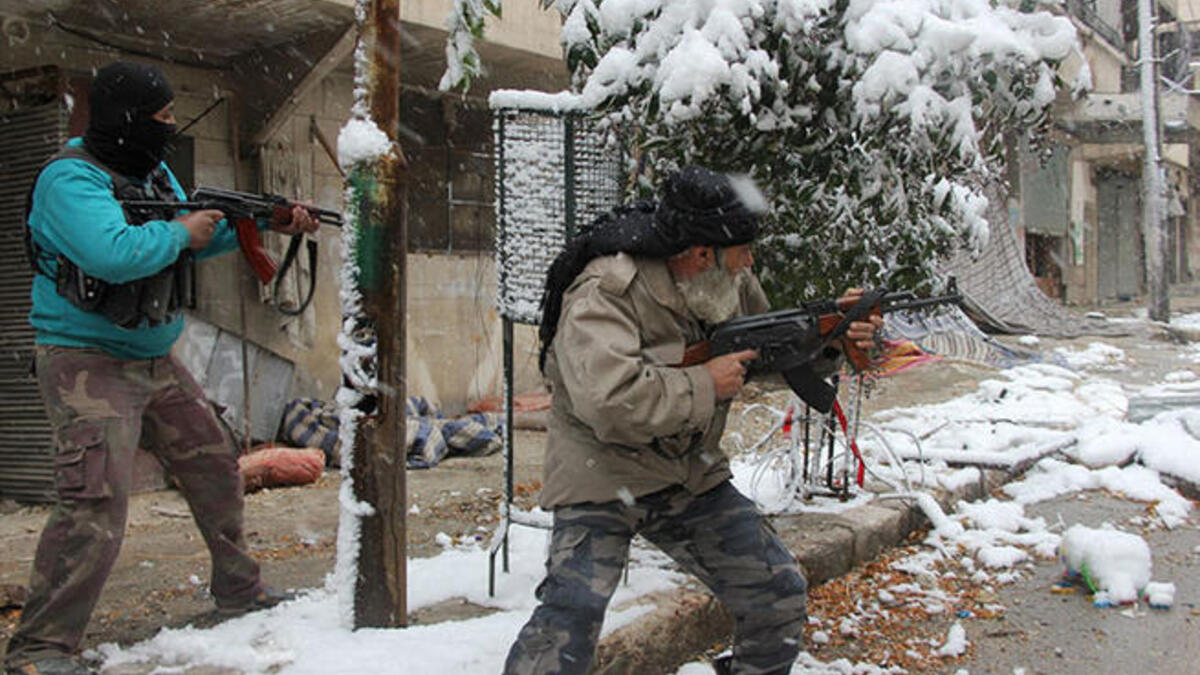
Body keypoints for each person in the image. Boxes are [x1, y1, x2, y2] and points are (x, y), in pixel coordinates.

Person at [5, 61, 318, 675]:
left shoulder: (150, 173)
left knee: (214, 467)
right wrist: (181, 232)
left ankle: (239, 591)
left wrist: (261, 222)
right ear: (125, 119)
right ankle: (40, 649)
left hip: (152, 353)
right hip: (87, 361)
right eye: (162, 117)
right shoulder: (70, 181)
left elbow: (196, 238)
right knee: (93, 501)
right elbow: (112, 254)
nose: (169, 129)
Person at [503, 166, 881, 675]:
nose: (750, 263)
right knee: (570, 615)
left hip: (688, 472)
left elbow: (764, 347)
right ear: (701, 253)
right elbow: (609, 401)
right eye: (742, 252)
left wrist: (830, 336)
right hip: (601, 472)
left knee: (776, 590)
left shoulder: (726, 281)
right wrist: (705, 384)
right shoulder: (607, 290)